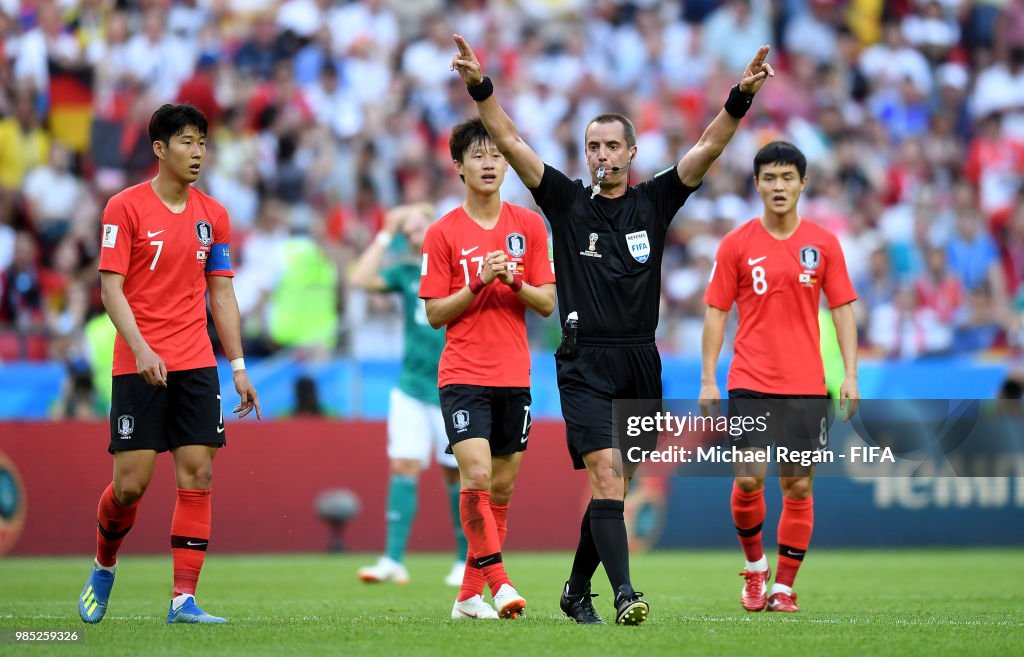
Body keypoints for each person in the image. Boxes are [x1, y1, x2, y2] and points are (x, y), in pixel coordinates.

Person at [450, 34, 774, 626]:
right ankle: (625, 593)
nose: (601, 155)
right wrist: (480, 88)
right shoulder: (566, 202)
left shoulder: (654, 202)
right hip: (583, 361)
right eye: (592, 146)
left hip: (638, 361)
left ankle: (576, 589)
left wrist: (740, 97)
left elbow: (707, 147)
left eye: (610, 146)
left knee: (614, 486)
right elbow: (512, 141)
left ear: (631, 151)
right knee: (605, 474)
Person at [79, 103, 260, 625]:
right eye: (185, 141)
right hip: (136, 361)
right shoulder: (125, 208)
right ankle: (105, 564)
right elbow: (110, 287)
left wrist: (239, 367)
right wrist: (139, 349)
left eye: (202, 141)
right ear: (159, 149)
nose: (198, 151)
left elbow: (221, 295)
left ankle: (183, 600)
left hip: (195, 363)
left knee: (199, 472)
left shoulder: (214, 215)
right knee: (131, 484)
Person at [699, 141, 859, 613]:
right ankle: (754, 569)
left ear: (803, 183)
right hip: (749, 380)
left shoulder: (824, 243)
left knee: (799, 486)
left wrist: (850, 374)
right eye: (769, 177)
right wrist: (709, 378)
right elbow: (715, 314)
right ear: (757, 184)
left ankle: (784, 586)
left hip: (807, 385)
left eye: (787, 177)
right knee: (749, 479)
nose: (779, 186)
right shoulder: (736, 244)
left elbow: (844, 310)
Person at [419, 117, 556, 620]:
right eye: (478, 155)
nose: (490, 163)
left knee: (501, 489)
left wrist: (513, 282)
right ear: (459, 166)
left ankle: (466, 598)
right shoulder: (443, 232)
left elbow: (546, 302)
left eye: (497, 154)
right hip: (462, 374)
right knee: (473, 474)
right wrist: (477, 282)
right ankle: (499, 586)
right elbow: (434, 314)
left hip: (514, 375)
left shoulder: (529, 225)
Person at [349, 202, 468, 587]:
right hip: (411, 388)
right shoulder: (405, 273)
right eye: (411, 231)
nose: (417, 235)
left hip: (452, 387)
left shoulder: (459, 270)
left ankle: (465, 560)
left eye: (422, 227)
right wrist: (386, 232)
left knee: (457, 475)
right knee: (403, 466)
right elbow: (359, 278)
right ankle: (393, 559)